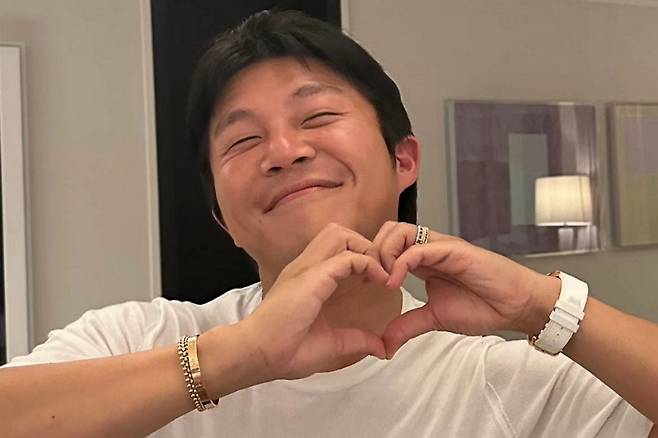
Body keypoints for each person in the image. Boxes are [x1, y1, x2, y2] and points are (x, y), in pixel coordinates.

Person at [1, 10, 656, 438]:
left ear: (404, 160)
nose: (284, 151)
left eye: (316, 118)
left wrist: (542, 304)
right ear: (223, 219)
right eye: (243, 140)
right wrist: (234, 358)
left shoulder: (514, 384)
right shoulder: (138, 339)